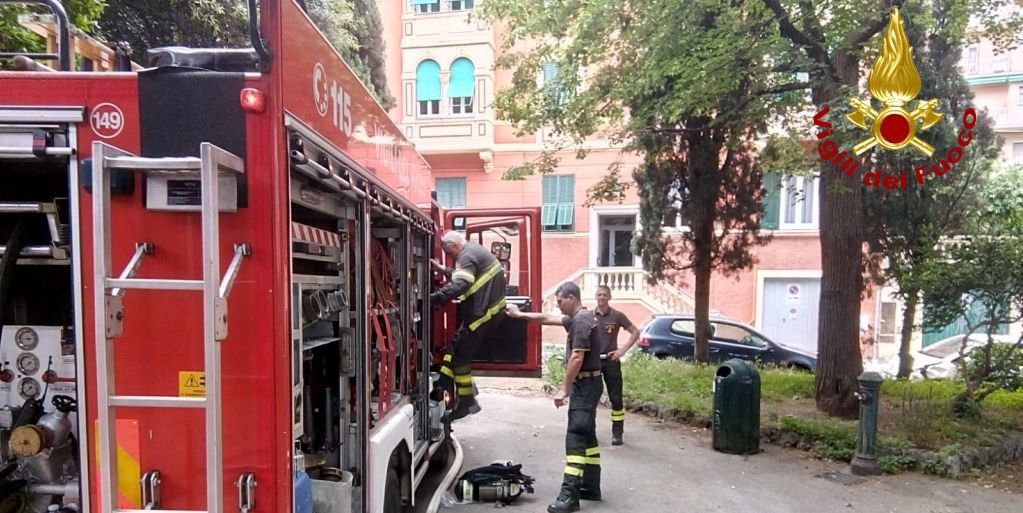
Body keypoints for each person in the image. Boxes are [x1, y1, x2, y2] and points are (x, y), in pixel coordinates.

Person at [507, 283, 602, 513]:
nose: (558, 306)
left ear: (571, 298)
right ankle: (590, 486)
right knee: (587, 436)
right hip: (590, 384)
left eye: (560, 301)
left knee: (576, 436)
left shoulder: (580, 321)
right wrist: (519, 314)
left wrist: (563, 389)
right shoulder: (580, 317)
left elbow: (577, 357)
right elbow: (545, 318)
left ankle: (569, 496)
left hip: (585, 385)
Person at [429, 230, 507, 421]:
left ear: (454, 245)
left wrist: (432, 299)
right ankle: (464, 399)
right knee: (458, 352)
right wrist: (442, 270)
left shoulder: (467, 255)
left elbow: (460, 284)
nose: (449, 256)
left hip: (483, 314)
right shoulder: (473, 252)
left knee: (457, 351)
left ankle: (447, 390)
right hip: (486, 313)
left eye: (448, 252)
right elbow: (462, 274)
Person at [592, 285, 640, 446]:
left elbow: (635, 331)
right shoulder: (589, 316)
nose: (601, 297)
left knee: (616, 399)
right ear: (596, 297)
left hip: (611, 361)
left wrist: (622, 350)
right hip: (594, 362)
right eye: (599, 294)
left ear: (609, 297)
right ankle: (590, 432)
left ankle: (617, 433)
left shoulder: (617, 315)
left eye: (604, 295)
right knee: (591, 398)